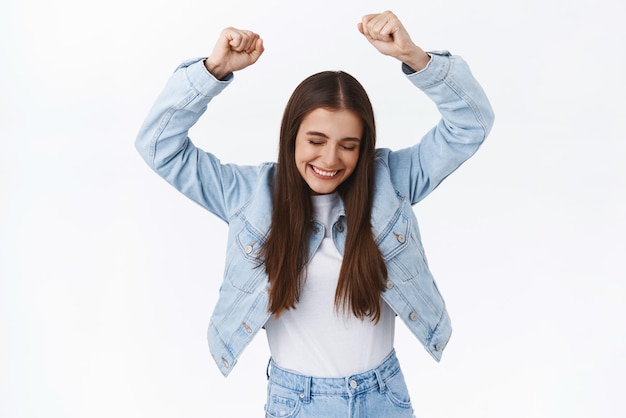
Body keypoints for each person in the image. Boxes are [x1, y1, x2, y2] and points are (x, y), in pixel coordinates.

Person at [136, 10, 494, 418]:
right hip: (297, 402)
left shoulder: (392, 182)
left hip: (384, 397)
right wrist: (212, 71)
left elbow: (472, 124)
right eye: (316, 140)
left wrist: (414, 56)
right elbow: (158, 145)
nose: (329, 158)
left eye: (348, 144)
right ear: (292, 137)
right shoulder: (247, 195)